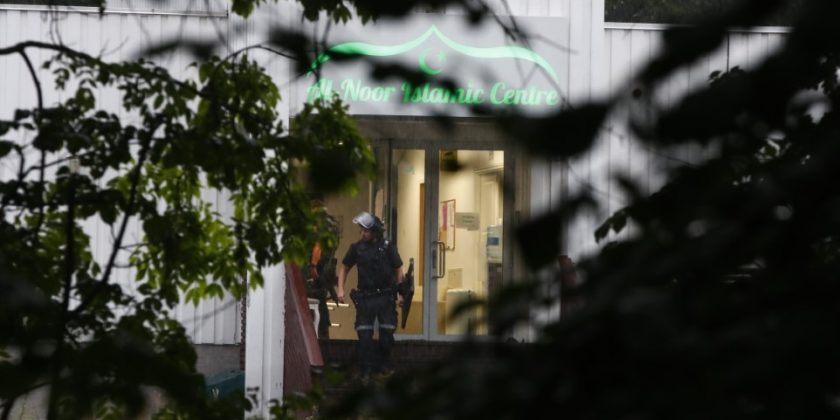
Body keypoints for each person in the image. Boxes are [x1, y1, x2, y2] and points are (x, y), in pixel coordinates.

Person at [337, 211, 405, 379]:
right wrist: (340, 289)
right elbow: (344, 267)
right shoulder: (356, 248)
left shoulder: (387, 247)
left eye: (366, 231)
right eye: (361, 230)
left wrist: (401, 293)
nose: (362, 234)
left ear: (375, 232)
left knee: (387, 334)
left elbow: (398, 269)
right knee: (364, 335)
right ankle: (366, 370)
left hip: (385, 296)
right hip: (365, 297)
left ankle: (384, 366)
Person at [304, 198, 339, 338]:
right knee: (321, 304)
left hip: (316, 272)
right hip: (325, 272)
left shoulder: (320, 225)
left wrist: (313, 266)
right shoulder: (332, 226)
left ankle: (318, 339)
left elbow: (318, 246)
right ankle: (324, 339)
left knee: (313, 305)